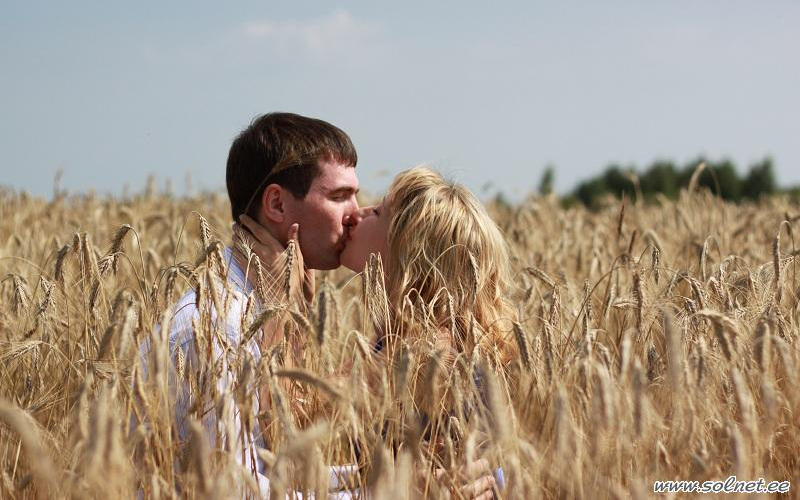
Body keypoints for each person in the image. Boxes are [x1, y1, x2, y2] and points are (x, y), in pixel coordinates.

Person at [136, 113, 497, 499]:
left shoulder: (251, 316)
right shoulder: (215, 330)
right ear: (276, 204)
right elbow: (238, 491)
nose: (356, 212)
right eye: (340, 196)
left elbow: (271, 469)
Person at [239, 166, 515, 497]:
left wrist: (277, 307)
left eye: (379, 212)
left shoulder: (421, 356)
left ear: (404, 249)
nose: (358, 213)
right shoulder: (396, 341)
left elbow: (284, 433)